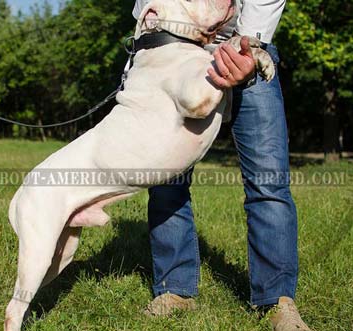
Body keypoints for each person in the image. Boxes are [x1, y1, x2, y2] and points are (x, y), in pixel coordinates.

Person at [133, 1, 312, 330]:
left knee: (268, 182)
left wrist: (247, 45)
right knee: (167, 180)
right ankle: (174, 290)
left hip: (246, 42)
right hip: (173, 45)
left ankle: (276, 300)